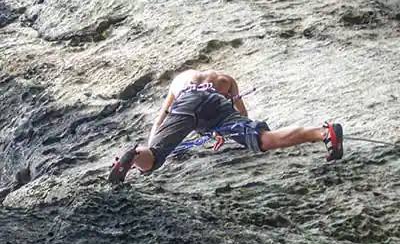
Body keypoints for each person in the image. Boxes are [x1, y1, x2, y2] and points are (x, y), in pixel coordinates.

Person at [108, 69, 343, 183]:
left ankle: (134, 155)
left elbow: (163, 115)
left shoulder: (181, 79)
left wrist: (153, 143)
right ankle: (323, 132)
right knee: (264, 139)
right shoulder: (225, 79)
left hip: (187, 101)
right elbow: (241, 112)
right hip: (217, 104)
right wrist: (232, 130)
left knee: (153, 159)